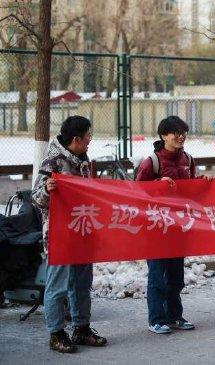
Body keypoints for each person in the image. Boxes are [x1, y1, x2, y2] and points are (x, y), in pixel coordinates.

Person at [32, 115, 107, 353]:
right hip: (59, 235)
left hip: (83, 230)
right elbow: (37, 198)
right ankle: (56, 333)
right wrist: (47, 189)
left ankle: (81, 327)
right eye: (87, 137)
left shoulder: (84, 161)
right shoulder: (52, 162)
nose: (89, 141)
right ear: (76, 138)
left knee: (82, 284)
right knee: (58, 286)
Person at [136, 116, 198, 334]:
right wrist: (157, 184)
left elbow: (192, 190)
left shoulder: (188, 159)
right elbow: (137, 191)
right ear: (164, 136)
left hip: (178, 227)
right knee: (157, 277)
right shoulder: (152, 161)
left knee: (175, 277)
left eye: (183, 132)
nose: (181, 136)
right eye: (176, 132)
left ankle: (174, 316)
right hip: (155, 228)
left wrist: (204, 184)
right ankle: (156, 319)